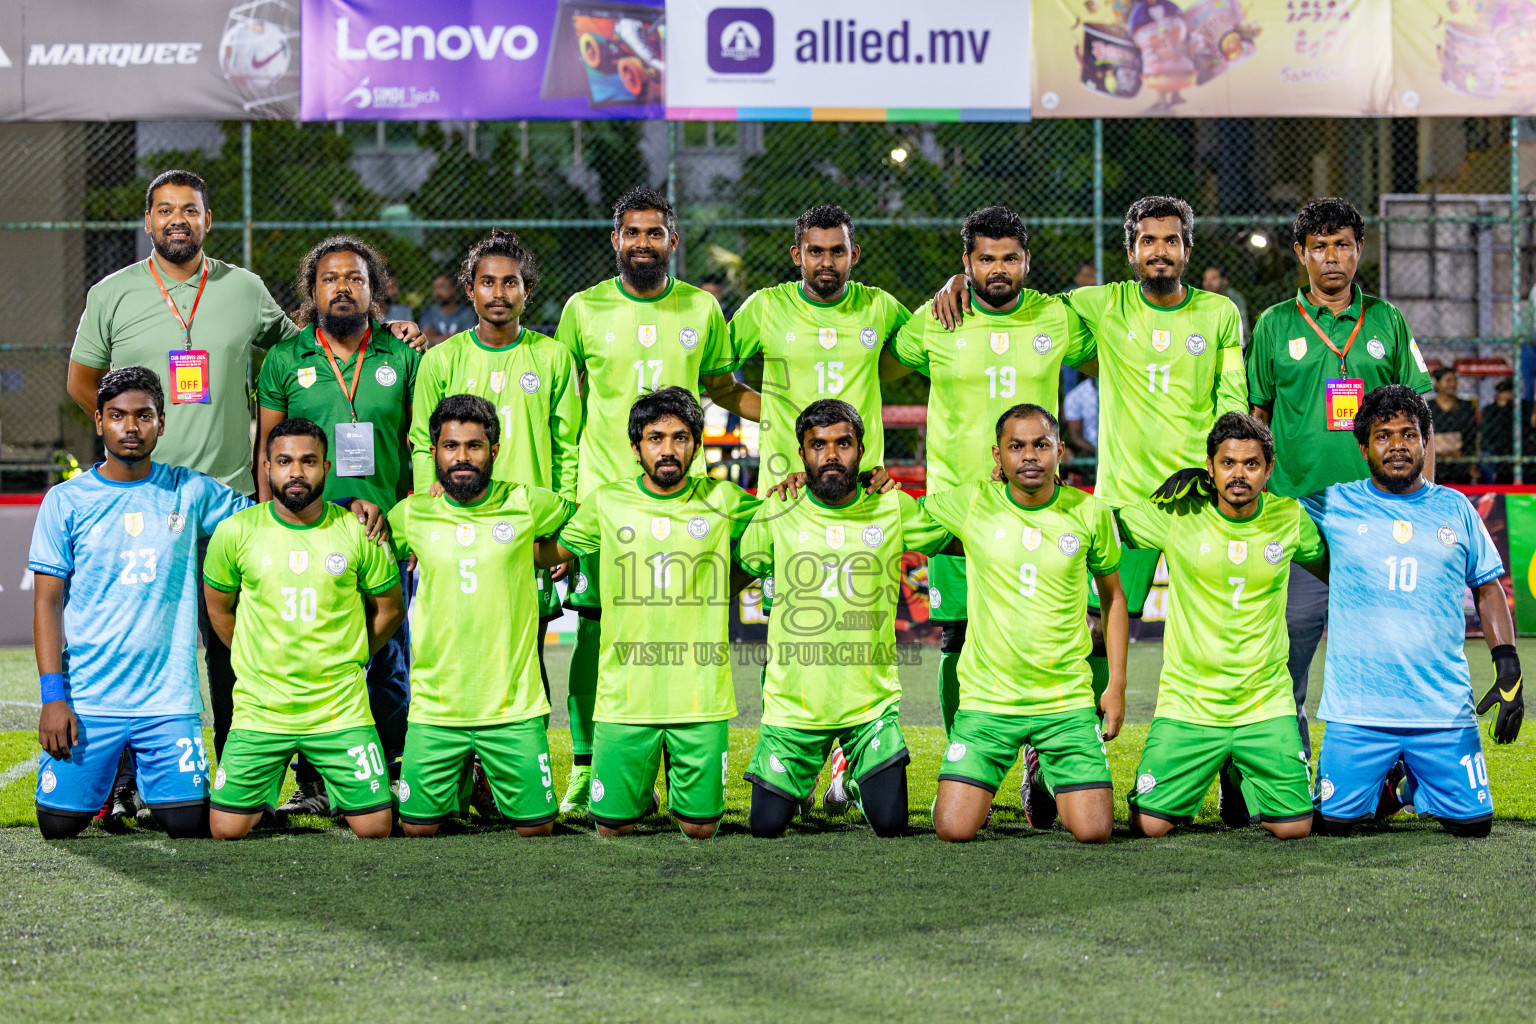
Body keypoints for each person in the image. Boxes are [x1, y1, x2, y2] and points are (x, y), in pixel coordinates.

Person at [64, 169, 421, 818]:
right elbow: (82, 380)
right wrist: (127, 440)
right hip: (140, 503)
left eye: (191, 210)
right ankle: (122, 789)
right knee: (132, 644)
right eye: (165, 210)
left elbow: (311, 349)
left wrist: (387, 331)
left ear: (207, 220)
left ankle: (240, 781)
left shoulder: (242, 289)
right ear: (148, 223)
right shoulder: (111, 294)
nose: (178, 219)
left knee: (236, 649)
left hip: (225, 503)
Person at [931, 196, 1245, 821]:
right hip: (1126, 504)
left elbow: (1232, 404)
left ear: (1187, 248)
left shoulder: (1219, 313)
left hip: (1202, 505)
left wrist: (1220, 476)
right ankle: (1059, 761)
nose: (1160, 251)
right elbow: (1013, 296)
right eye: (1148, 241)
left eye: (1171, 240)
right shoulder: (1099, 305)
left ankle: (1238, 774)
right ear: (1130, 252)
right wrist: (959, 280)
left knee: (1222, 634)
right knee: (1098, 629)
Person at [552, 186, 758, 816]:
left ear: (673, 240)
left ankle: (679, 756)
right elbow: (566, 404)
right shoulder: (582, 309)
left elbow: (722, 386)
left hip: (680, 496)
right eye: (632, 233)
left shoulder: (701, 307)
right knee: (593, 629)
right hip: (603, 499)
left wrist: (792, 415)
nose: (644, 243)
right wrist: (566, 499)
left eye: (655, 233)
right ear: (615, 240)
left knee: (678, 625)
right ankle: (589, 764)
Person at [886, 207, 1095, 759]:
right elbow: (883, 361)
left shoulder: (1058, 318)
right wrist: (944, 290)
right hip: (956, 509)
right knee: (955, 638)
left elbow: (1116, 358)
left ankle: (1050, 757)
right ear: (966, 264)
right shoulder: (935, 319)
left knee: (1058, 635)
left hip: (1038, 508)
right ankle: (963, 755)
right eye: (984, 260)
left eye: (1009, 258)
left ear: (1027, 261)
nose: (997, 269)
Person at [1246, 197, 1435, 768]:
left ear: (1359, 250)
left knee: (1384, 651)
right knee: (1289, 650)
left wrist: (1424, 506)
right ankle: (1290, 769)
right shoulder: (1275, 324)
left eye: (1344, 245)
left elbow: (1420, 418)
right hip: (1296, 514)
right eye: (1320, 247)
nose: (1333, 258)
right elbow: (1257, 420)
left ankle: (1382, 775)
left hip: (1378, 517)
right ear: (1302, 254)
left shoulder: (1388, 321)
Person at [535, 388, 758, 839]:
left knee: (699, 830)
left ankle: (671, 789)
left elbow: (780, 539)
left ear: (697, 443)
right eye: (656, 438)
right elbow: (549, 553)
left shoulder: (726, 500)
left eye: (680, 437)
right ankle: (638, 787)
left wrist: (724, 585)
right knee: (612, 830)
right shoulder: (606, 502)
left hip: (700, 697)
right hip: (625, 697)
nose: (669, 450)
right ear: (636, 447)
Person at [28, 369, 239, 839]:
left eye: (143, 416)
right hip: (89, 700)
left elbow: (269, 519)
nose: (130, 427)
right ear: (99, 421)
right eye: (118, 416)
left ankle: (140, 779)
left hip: (167, 701)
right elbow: (46, 604)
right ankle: (111, 780)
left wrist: (344, 504)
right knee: (58, 826)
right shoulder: (66, 501)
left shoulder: (191, 490)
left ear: (161, 423)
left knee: (187, 823)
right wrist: (52, 699)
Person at [1306, 385, 1520, 838]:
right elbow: (1262, 506)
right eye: (1384, 436)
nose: (1398, 445)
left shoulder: (1456, 507)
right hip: (1358, 710)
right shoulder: (1334, 503)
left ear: (1426, 443)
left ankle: (1404, 790)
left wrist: (1508, 665)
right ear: (1363, 447)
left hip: (1441, 709)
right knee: (1332, 825)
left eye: (1409, 434)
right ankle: (1384, 785)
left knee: (1474, 826)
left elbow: (1487, 586)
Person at [255, 236, 420, 815]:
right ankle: (314, 782)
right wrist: (269, 527)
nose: (342, 288)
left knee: (387, 660)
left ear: (373, 289)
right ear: (313, 289)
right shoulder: (285, 359)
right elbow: (267, 449)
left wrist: (414, 524)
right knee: (310, 658)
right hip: (308, 533)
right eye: (330, 279)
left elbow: (418, 446)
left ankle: (395, 767)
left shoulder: (403, 356)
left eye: (355, 278)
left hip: (384, 532)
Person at [738, 400, 950, 839]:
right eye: (818, 445)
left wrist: (1001, 488)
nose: (831, 455)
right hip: (794, 707)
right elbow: (744, 563)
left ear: (862, 450)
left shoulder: (893, 508)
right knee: (765, 826)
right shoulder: (778, 508)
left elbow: (962, 528)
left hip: (868, 705)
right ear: (802, 454)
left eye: (843, 444)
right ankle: (808, 768)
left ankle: (849, 772)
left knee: (890, 825)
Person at [922, 403, 1127, 843]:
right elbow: (895, 515)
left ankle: (1041, 771)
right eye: (1016, 446)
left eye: (1041, 445)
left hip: (1064, 702)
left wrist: (1116, 687)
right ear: (998, 456)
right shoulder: (972, 501)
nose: (1029, 456)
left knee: (1093, 831)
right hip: (989, 700)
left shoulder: (1090, 513)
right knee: (953, 828)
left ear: (1060, 452)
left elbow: (1113, 599)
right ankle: (1001, 765)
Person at [1121, 413, 1325, 839]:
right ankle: (1213, 767)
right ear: (1209, 467)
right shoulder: (1178, 513)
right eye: (1227, 462)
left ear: (1268, 470)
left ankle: (1235, 770)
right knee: (1149, 826)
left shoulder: (1289, 518)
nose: (1238, 474)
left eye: (1251, 464)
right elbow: (1102, 523)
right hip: (1190, 704)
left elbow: (1336, 565)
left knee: (1294, 829)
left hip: (1263, 703)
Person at [202, 418, 405, 840]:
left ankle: (330, 783)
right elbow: (219, 610)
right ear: (266, 469)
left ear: (326, 468)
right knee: (226, 829)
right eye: (285, 461)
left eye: (308, 461)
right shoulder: (236, 532)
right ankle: (261, 786)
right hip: (263, 707)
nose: (296, 472)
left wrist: (356, 654)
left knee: (375, 828)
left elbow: (390, 609)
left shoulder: (359, 531)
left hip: (339, 708)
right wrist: (251, 658)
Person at [388, 395, 576, 837]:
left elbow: (583, 524)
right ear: (434, 452)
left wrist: (542, 552)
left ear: (494, 450)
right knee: (416, 831)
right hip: (437, 708)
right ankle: (463, 784)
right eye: (451, 446)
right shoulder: (412, 513)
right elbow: (364, 546)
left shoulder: (527, 502)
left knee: (537, 831)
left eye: (474, 446)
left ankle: (483, 782)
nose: (462, 458)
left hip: (513, 707)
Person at [410, 231, 581, 671]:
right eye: (488, 282)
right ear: (470, 289)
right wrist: (426, 514)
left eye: (511, 282)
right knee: (456, 647)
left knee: (526, 652)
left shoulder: (553, 356)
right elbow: (420, 443)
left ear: (528, 290)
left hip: (528, 526)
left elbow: (568, 446)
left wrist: (562, 525)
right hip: (457, 522)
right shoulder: (441, 360)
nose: (499, 293)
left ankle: (528, 740)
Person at [729, 204, 909, 485]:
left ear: (854, 255)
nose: (827, 262)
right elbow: (715, 378)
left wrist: (958, 281)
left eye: (838, 251)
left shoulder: (879, 306)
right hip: (785, 487)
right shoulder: (766, 307)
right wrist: (775, 411)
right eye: (815, 251)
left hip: (861, 485)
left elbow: (929, 351)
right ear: (797, 255)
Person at [1428, 367, 1477, 484]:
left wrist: (1462, 452)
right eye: (1448, 380)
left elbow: (1471, 435)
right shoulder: (1428, 407)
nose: (1452, 384)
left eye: (1454, 380)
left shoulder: (1466, 406)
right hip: (1435, 457)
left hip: (1460, 457)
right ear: (1437, 384)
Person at [420, 272, 480, 346]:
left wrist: (437, 337)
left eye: (442, 286)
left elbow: (469, 340)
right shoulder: (429, 312)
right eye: (436, 287)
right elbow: (426, 338)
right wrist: (455, 335)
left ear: (453, 289)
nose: (437, 292)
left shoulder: (467, 313)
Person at [1478, 379, 1519, 484]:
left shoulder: (1520, 410)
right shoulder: (1490, 410)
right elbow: (1486, 435)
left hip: (1512, 448)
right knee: (1487, 460)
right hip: (1492, 448)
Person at [1201, 264, 1249, 344]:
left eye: (1213, 278)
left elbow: (1241, 329)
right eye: (1205, 279)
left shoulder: (1235, 299)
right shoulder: (1200, 301)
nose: (1208, 283)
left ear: (1225, 281)